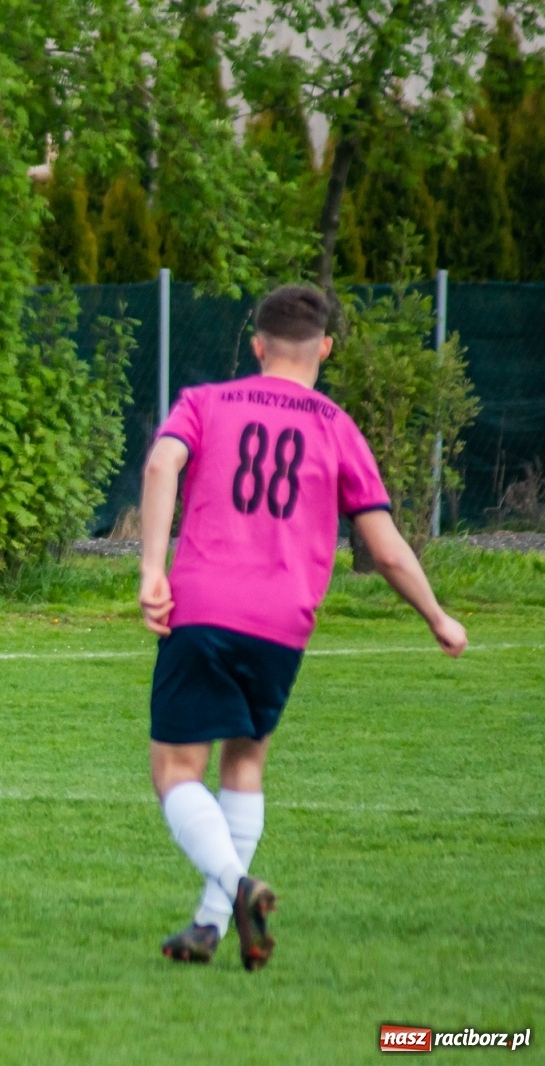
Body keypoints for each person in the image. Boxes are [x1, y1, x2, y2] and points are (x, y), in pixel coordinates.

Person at [138, 283, 467, 971]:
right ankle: (209, 926)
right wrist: (436, 614)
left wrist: (151, 568)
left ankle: (235, 887)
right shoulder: (336, 426)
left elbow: (162, 461)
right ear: (325, 348)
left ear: (256, 345)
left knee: (175, 767)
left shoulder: (205, 402)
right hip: (283, 622)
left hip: (203, 605)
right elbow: (383, 547)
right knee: (246, 760)